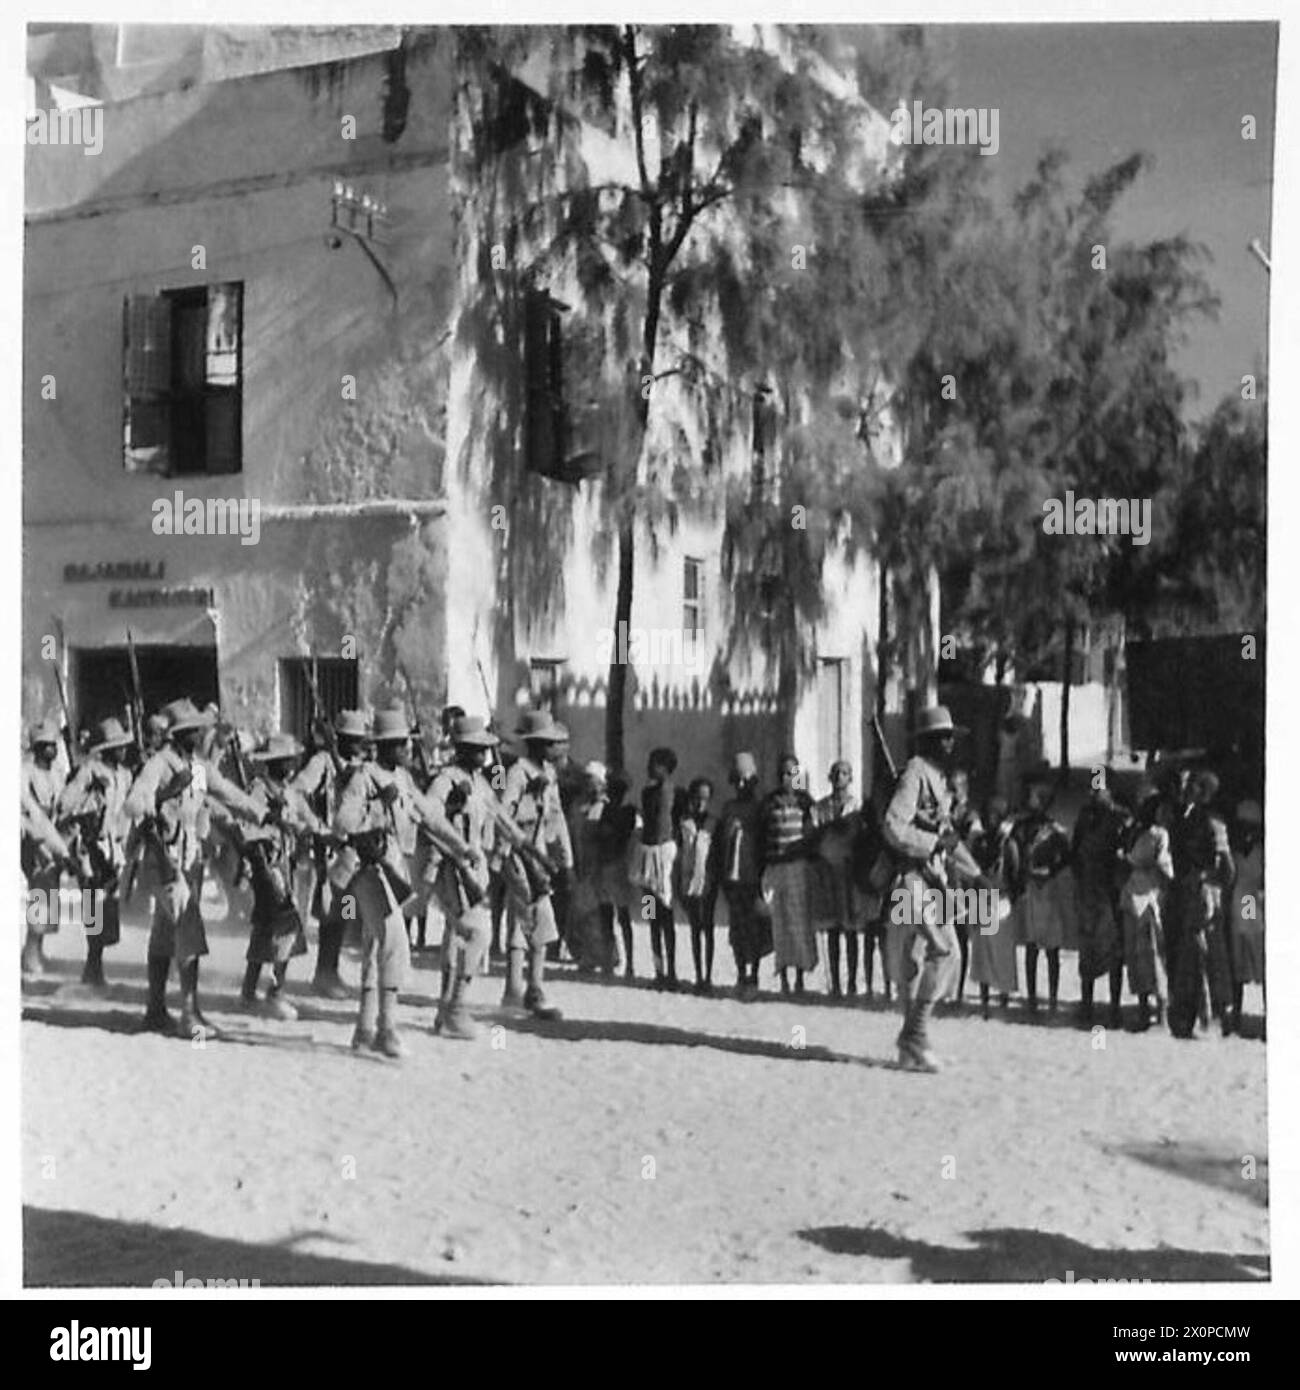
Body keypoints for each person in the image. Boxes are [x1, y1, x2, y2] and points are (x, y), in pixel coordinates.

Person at [334, 709, 483, 1057]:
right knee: (395, 943)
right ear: (385, 745)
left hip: (392, 870)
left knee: (374, 948)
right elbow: (343, 822)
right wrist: (375, 807)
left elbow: (429, 815)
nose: (406, 749)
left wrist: (462, 847)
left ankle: (364, 1029)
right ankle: (387, 1029)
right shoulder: (364, 778)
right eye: (401, 743)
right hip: (364, 869)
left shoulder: (402, 778)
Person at [124, 698, 267, 1039]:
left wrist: (260, 812)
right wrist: (159, 799)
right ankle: (190, 1012)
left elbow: (223, 793)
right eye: (196, 729)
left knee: (163, 935)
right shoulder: (160, 764)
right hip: (163, 862)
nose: (203, 733)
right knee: (188, 929)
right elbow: (133, 802)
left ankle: (155, 1009)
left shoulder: (198, 766)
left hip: (187, 864)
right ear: (182, 733)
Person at [427, 715, 522, 1039]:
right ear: (463, 749)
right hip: (454, 865)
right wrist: (454, 823)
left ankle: (447, 1011)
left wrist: (519, 841)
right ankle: (457, 1007)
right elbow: (431, 819)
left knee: (457, 938)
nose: (484, 755)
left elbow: (498, 814)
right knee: (478, 933)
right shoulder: (445, 781)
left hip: (477, 863)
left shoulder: (480, 782)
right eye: (478, 749)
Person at [882, 705, 963, 1072]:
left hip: (932, 880)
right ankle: (915, 1034)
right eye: (943, 736)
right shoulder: (915, 773)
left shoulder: (937, 778)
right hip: (911, 879)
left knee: (921, 960)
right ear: (930, 740)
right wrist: (932, 844)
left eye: (951, 736)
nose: (949, 742)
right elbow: (894, 826)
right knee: (943, 951)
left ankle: (909, 1045)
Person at [237, 733, 326, 1020]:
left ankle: (250, 992)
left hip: (286, 862)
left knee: (267, 929)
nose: (289, 765)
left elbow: (306, 819)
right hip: (266, 865)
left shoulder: (288, 792)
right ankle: (274, 992)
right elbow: (247, 829)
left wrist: (323, 833)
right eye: (283, 761)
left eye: (290, 760)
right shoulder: (259, 790)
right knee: (283, 927)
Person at [290, 709, 370, 1000]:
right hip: (329, 850)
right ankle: (323, 973)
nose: (359, 745)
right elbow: (296, 792)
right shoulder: (322, 762)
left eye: (361, 740)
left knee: (345, 910)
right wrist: (317, 827)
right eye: (353, 740)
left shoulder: (360, 766)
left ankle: (331, 969)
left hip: (355, 849)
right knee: (330, 912)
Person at [498, 710, 573, 1019]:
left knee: (526, 919)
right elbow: (503, 815)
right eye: (553, 743)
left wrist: (565, 858)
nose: (558, 749)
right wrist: (530, 797)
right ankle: (530, 989)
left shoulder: (548, 775)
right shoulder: (518, 774)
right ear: (539, 744)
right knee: (535, 917)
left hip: (539, 853)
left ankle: (519, 988)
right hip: (519, 852)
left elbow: (556, 817)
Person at [56, 716, 135, 990]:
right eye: (117, 746)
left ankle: (96, 964)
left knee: (107, 908)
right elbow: (67, 802)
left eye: (124, 745)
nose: (123, 750)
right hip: (90, 848)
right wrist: (89, 790)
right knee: (93, 905)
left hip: (114, 849)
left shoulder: (124, 775)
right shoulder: (89, 770)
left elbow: (127, 810)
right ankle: (92, 967)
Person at [1166, 770, 1235, 1039]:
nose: (1186, 790)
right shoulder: (1182, 819)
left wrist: (1206, 880)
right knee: (1186, 957)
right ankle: (1187, 1015)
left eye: (1191, 786)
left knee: (1205, 955)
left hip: (1204, 896)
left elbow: (1227, 870)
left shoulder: (1213, 824)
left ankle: (1213, 1017)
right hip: (1184, 893)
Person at [1071, 772, 1127, 1028]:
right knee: (1088, 948)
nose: (1095, 794)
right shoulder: (1085, 817)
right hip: (1088, 890)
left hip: (1111, 891)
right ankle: (1087, 1005)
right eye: (1092, 789)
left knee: (1114, 951)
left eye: (1100, 788)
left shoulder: (1120, 817)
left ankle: (1114, 1008)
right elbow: (1075, 851)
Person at [1013, 779, 1072, 1013]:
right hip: (1032, 886)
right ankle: (1031, 997)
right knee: (1031, 945)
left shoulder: (1054, 830)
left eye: (1034, 797)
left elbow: (1067, 855)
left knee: (1051, 946)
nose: (1030, 801)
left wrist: (1052, 871)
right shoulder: (1023, 827)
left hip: (1047, 888)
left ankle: (1053, 997)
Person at [1119, 787, 1173, 1031]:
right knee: (1145, 956)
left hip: (1141, 897)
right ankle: (1151, 1008)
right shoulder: (1148, 834)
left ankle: (1152, 1008)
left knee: (1146, 956)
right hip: (1141, 897)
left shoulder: (1146, 833)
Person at [762, 754, 816, 995]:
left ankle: (800, 977)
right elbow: (762, 835)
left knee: (798, 922)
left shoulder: (805, 803)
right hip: (775, 867)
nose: (787, 777)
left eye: (792, 773)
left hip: (797, 867)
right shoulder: (769, 803)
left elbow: (811, 836)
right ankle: (782, 974)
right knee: (779, 922)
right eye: (783, 773)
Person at [716, 752, 769, 1000]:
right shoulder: (728, 809)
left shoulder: (760, 809)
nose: (740, 786)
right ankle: (740, 973)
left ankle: (754, 975)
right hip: (732, 876)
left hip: (752, 875)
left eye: (744, 781)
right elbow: (720, 843)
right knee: (737, 927)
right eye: (736, 781)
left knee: (754, 926)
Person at [21, 719, 71, 979]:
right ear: (37, 748)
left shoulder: (57, 773)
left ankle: (38, 949)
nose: (52, 750)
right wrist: (36, 838)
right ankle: (30, 952)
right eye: (46, 746)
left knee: (50, 896)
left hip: (56, 838)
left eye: (54, 745)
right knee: (40, 895)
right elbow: (23, 812)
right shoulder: (25, 773)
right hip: (36, 841)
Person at [810, 760, 863, 998]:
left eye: (844, 774)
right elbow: (813, 834)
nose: (840, 778)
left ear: (850, 778)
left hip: (850, 871)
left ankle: (852, 981)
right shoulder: (821, 807)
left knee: (850, 929)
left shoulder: (856, 806)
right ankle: (835, 982)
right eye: (836, 774)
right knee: (832, 929)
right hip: (828, 871)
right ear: (830, 778)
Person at [968, 794, 1020, 1017]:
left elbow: (1015, 875)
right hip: (981, 901)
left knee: (1001, 952)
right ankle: (985, 999)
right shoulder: (979, 843)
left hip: (1000, 902)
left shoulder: (1008, 844)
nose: (989, 821)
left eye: (993, 817)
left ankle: (1004, 995)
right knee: (982, 952)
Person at [634, 747, 681, 990]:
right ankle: (658, 970)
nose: (649, 768)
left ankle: (671, 970)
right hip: (646, 855)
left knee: (666, 914)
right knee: (651, 916)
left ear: (665, 767)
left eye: (654, 764)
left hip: (664, 855)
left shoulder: (674, 793)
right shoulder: (647, 792)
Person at [676, 776, 719, 994]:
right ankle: (697, 973)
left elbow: (716, 854)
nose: (701, 802)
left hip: (708, 880)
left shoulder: (713, 823)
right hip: (687, 880)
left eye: (705, 798)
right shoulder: (684, 823)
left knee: (708, 927)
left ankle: (708, 976)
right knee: (694, 927)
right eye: (697, 798)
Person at [945, 769, 984, 1004]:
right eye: (949, 786)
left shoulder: (971, 815)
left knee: (961, 936)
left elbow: (970, 845)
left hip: (963, 881)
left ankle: (959, 988)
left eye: (956, 787)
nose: (952, 791)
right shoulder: (943, 812)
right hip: (943, 880)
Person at [596, 769, 639, 978]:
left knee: (615, 916)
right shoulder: (622, 810)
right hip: (613, 864)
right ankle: (619, 960)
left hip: (615, 863)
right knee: (616, 916)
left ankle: (620, 960)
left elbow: (612, 834)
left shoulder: (622, 811)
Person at [1228, 799, 1264, 1038]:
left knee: (1262, 963)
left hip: (1257, 907)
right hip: (1240, 904)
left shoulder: (1263, 850)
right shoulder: (1235, 850)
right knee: (1237, 965)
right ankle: (1237, 1016)